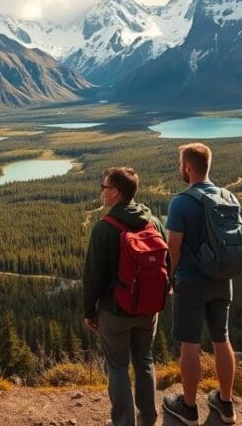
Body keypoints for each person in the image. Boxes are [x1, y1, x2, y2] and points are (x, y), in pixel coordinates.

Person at [83, 166, 167, 426]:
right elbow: (168, 262)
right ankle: (148, 419)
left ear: (115, 193)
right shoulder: (153, 222)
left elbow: (93, 276)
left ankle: (123, 423)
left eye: (104, 187)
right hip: (149, 308)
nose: (101, 191)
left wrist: (89, 311)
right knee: (144, 360)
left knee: (118, 366)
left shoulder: (105, 228)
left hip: (115, 311)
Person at [162, 143, 237, 425]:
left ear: (188, 167)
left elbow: (174, 248)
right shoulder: (228, 196)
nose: (180, 168)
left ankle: (188, 407)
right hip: (222, 279)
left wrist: (169, 278)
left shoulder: (181, 201)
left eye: (181, 163)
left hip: (192, 282)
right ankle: (226, 404)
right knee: (222, 339)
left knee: (190, 343)